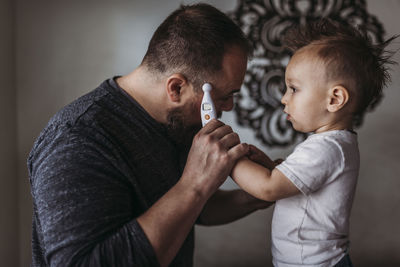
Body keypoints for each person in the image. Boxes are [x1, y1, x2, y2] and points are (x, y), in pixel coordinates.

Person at [27, 3, 273, 267]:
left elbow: (191, 210)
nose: (228, 107)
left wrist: (259, 193)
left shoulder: (176, 123)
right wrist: (194, 184)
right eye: (224, 97)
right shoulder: (75, 140)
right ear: (176, 87)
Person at [231, 19, 397, 267]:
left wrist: (226, 158)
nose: (284, 99)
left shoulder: (326, 148)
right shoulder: (333, 144)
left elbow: (268, 189)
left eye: (294, 89)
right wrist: (272, 169)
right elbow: (290, 185)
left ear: (334, 99)